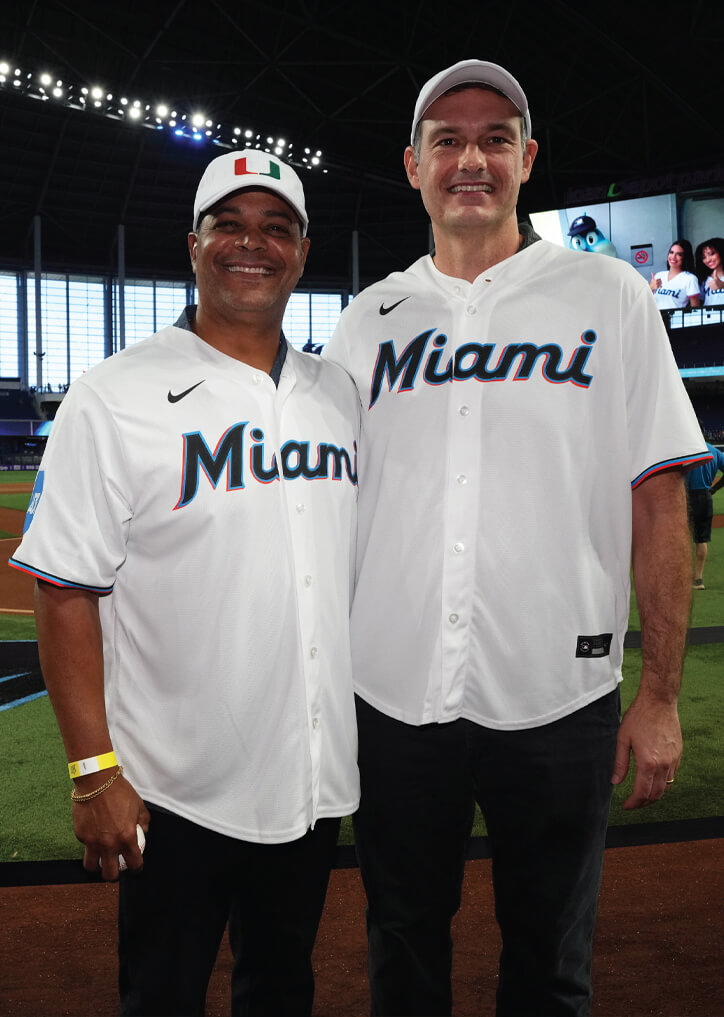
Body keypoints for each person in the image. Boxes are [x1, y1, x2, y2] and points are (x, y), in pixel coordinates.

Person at [323, 59, 711, 1017]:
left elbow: (663, 496)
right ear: (412, 163)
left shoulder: (608, 296)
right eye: (447, 140)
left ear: (526, 159)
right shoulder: (366, 321)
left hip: (558, 693)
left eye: (495, 138)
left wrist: (659, 694)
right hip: (394, 694)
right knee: (402, 945)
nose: (471, 158)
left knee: (550, 965)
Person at [9, 149, 360, 1017]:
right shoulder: (113, 394)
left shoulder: (338, 394)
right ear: (194, 244)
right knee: (161, 997)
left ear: (304, 252)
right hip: (172, 788)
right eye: (229, 225)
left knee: (282, 990)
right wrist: (94, 772)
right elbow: (64, 588)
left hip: (309, 780)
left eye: (276, 227)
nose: (253, 244)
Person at [685, 440, 724, 589]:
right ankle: (698, 579)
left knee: (683, 538)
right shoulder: (714, 451)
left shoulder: (685, 449)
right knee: (701, 539)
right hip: (705, 498)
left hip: (686, 497)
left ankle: (683, 577)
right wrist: (713, 489)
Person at [650, 239, 701, 311]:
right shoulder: (659, 275)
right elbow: (647, 301)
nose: (673, 257)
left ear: (685, 257)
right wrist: (650, 288)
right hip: (655, 319)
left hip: (675, 320)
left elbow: (695, 309)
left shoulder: (690, 279)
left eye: (679, 254)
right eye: (671, 252)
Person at [695, 237, 724, 306]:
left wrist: (722, 285)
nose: (708, 260)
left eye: (711, 254)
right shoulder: (703, 279)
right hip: (709, 315)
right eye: (704, 257)